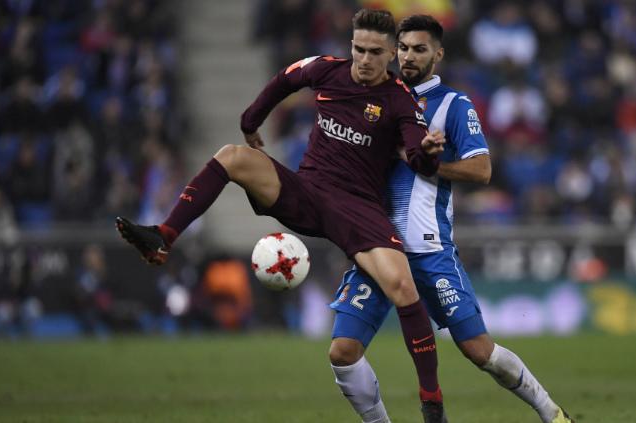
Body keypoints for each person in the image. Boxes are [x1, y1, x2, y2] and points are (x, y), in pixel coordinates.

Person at [115, 9, 449, 422]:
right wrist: (250, 120)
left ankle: (432, 402)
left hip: (358, 208)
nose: (364, 59)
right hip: (306, 191)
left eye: (375, 52)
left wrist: (430, 157)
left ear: (391, 56)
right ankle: (164, 236)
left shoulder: (400, 99)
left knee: (402, 286)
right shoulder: (328, 70)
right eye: (358, 49)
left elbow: (417, 151)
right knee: (232, 157)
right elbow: (285, 80)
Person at [328, 15, 575, 423]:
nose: (408, 56)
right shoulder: (374, 98)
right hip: (377, 246)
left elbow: (481, 170)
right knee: (342, 351)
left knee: (480, 351)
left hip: (429, 250)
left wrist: (429, 164)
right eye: (403, 47)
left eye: (418, 49)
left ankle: (552, 413)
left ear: (437, 55)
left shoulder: (454, 105)